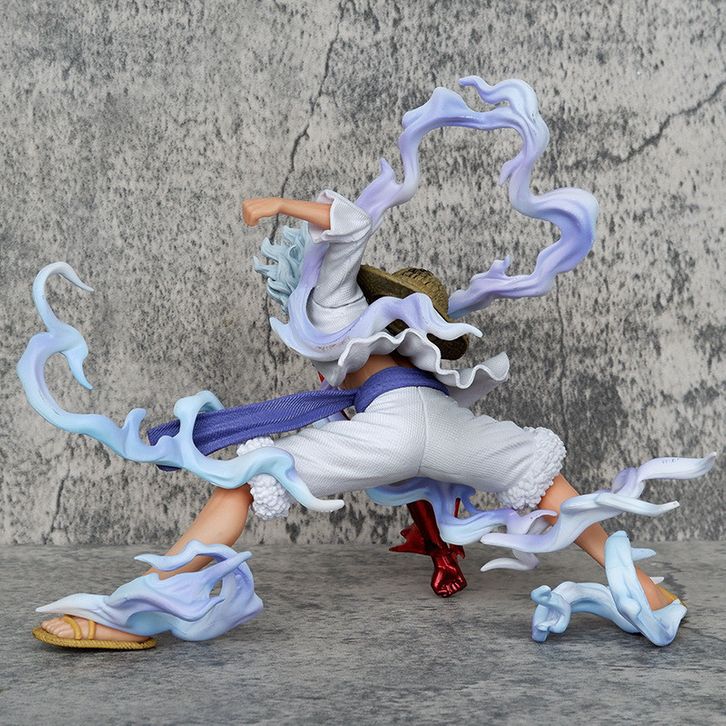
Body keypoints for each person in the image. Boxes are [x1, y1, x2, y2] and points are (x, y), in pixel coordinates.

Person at [38, 192, 678, 645]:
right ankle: (648, 593)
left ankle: (132, 611)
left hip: (390, 425)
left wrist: (276, 204)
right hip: (442, 429)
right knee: (543, 480)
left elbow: (350, 221)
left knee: (247, 478)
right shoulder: (407, 350)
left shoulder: (340, 303)